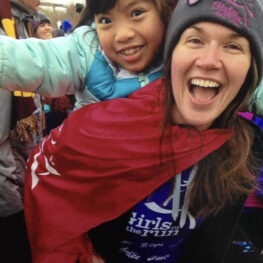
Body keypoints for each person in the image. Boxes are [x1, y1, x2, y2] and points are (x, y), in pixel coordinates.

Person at [24, 0, 263, 262]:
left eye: (232, 45)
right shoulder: (103, 127)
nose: (209, 61)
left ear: (250, 69)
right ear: (171, 55)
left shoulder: (245, 143)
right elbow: (46, 186)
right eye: (195, 40)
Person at [0, 0, 178, 110]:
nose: (123, 35)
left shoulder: (183, 58)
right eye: (106, 20)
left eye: (136, 13)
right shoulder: (87, 50)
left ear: (166, 12)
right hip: (93, 164)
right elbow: (37, 60)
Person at [0, 0, 44, 262]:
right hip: (10, 197)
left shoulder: (21, 24)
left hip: (23, 180)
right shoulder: (5, 35)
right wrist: (14, 208)